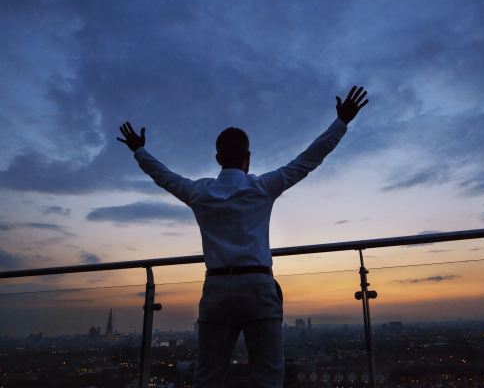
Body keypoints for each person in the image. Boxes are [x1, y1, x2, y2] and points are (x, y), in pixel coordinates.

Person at [117, 86, 369, 388]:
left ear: (217, 157)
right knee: (268, 377)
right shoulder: (262, 187)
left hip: (216, 290)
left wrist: (139, 150)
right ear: (247, 157)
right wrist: (341, 122)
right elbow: (307, 160)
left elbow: (164, 176)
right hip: (258, 288)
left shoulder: (200, 192)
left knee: (207, 378)